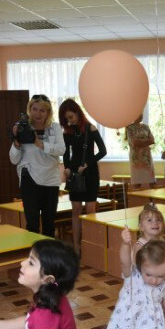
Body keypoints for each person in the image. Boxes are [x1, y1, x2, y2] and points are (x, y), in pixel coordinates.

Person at [9, 94, 65, 237]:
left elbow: (61, 149)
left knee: (49, 224)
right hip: (29, 179)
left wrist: (40, 144)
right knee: (32, 224)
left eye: (42, 110)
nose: (38, 114)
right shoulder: (23, 128)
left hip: (50, 180)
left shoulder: (54, 128)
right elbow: (14, 160)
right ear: (29, 110)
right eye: (35, 109)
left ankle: (48, 252)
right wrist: (17, 142)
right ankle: (33, 251)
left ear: (48, 112)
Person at [59, 98, 107, 254]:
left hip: (90, 172)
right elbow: (66, 153)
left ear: (78, 113)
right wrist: (67, 168)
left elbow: (103, 151)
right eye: (66, 119)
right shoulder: (67, 132)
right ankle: (76, 247)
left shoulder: (90, 128)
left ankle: (91, 245)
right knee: (76, 210)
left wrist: (87, 163)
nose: (69, 121)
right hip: (74, 174)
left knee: (91, 209)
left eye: (71, 117)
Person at [125, 115, 156, 189]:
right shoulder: (129, 128)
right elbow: (134, 142)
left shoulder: (146, 127)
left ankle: (153, 196)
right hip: (136, 158)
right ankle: (137, 196)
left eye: (142, 114)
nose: (142, 116)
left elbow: (152, 140)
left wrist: (140, 142)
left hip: (147, 157)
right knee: (137, 181)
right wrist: (146, 141)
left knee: (152, 181)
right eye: (140, 114)